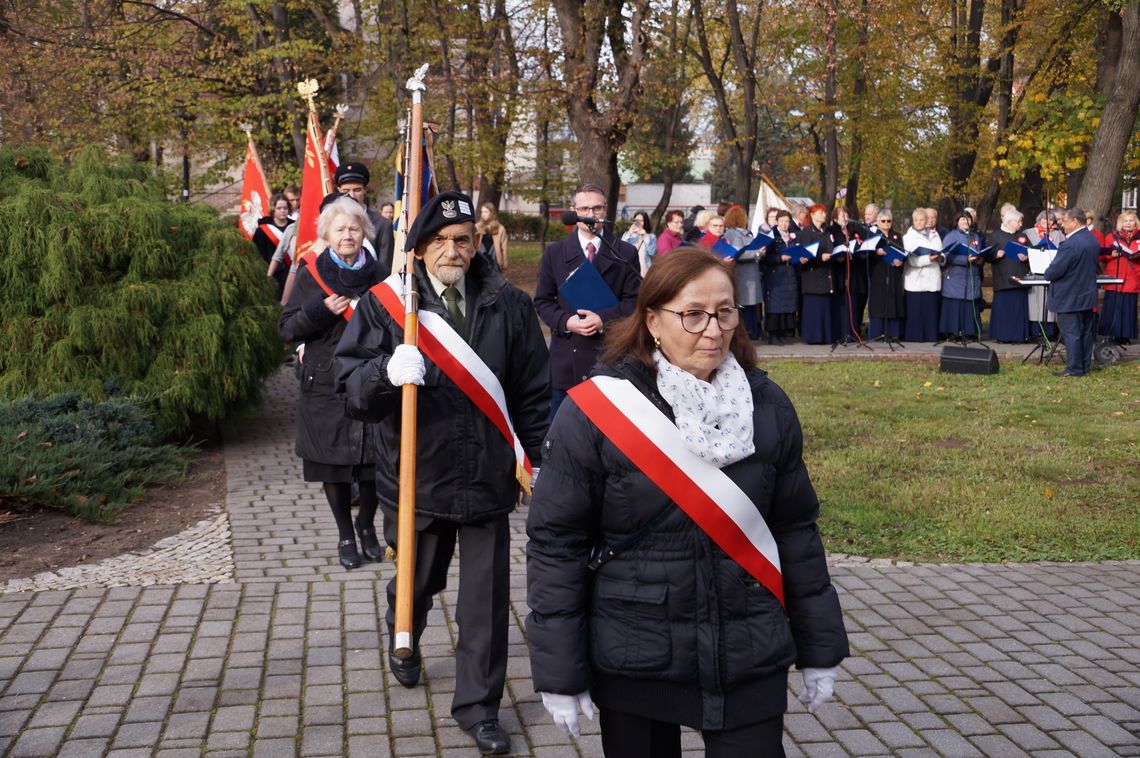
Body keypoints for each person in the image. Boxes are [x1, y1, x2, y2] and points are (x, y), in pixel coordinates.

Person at [525, 248, 849, 757]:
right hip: (637, 649)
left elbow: (796, 531)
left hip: (748, 649)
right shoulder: (596, 413)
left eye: (725, 311)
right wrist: (560, 671)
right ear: (652, 320)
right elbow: (556, 544)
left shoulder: (768, 405)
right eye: (692, 314)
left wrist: (820, 647)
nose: (713, 330)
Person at [334, 191, 551, 755]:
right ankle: (402, 631)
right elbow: (352, 389)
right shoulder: (386, 306)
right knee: (418, 584)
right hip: (418, 478)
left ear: (477, 244)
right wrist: (384, 371)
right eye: (440, 242)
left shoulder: (511, 306)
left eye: (463, 239)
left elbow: (531, 391)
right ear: (421, 248)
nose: (452, 250)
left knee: (484, 604)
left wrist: (538, 459)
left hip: (487, 478)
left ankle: (479, 708)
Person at [278, 197, 384, 570]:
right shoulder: (311, 273)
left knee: (374, 463)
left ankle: (367, 526)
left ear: (364, 233)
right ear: (327, 234)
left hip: (370, 379)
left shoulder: (382, 274)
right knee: (334, 464)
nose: (348, 235)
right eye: (340, 229)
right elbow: (287, 327)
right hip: (325, 383)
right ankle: (345, 534)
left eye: (354, 228)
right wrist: (321, 310)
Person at [534, 185, 641, 418]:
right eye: (584, 208)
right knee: (565, 437)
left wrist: (602, 319)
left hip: (613, 357)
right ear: (573, 211)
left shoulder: (626, 252)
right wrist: (566, 321)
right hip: (566, 361)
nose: (590, 214)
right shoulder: (555, 253)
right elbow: (543, 301)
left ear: (606, 209)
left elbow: (635, 303)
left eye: (596, 208)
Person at [1044, 207, 1101, 377]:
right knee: (1084, 333)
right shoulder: (1091, 239)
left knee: (1072, 334)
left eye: (1065, 221)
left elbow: (1052, 273)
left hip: (1069, 295)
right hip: (1086, 294)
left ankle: (1075, 369)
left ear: (1075, 221)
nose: (1062, 225)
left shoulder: (1070, 244)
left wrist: (1048, 271)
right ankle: (1083, 366)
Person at [987, 208, 1032, 343]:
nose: (1020, 224)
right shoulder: (996, 235)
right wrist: (996, 255)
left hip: (1020, 278)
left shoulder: (1021, 236)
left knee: (1018, 310)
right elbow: (987, 255)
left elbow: (1032, 250)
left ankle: (1019, 336)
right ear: (1009, 222)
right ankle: (1003, 336)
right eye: (1018, 221)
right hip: (1003, 279)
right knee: (1004, 311)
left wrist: (1027, 256)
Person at [939, 212, 985, 339]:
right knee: (956, 305)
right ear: (957, 221)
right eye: (962, 219)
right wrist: (964, 259)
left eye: (968, 219)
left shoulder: (975, 236)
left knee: (970, 306)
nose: (965, 222)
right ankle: (955, 333)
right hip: (956, 277)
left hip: (972, 276)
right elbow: (946, 256)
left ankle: (970, 333)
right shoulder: (951, 236)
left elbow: (979, 252)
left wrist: (979, 259)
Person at [797, 203, 837, 345]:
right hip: (813, 276)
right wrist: (820, 257)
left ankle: (825, 336)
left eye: (824, 213)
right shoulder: (806, 233)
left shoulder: (826, 232)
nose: (823, 215)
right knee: (814, 309)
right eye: (820, 213)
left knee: (825, 309)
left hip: (827, 275)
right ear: (812, 215)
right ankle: (813, 337)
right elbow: (806, 252)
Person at [1098, 210, 1140, 344]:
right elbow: (1102, 256)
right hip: (1114, 276)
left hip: (1132, 277)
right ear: (1121, 223)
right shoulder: (1111, 237)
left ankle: (1125, 336)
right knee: (1113, 306)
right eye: (1125, 221)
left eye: (1131, 220)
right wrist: (1112, 255)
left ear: (1136, 222)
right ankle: (1111, 335)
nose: (1128, 223)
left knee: (1128, 307)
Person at [902, 207, 942, 342]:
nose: (919, 222)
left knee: (930, 311)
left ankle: (931, 336)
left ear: (926, 221)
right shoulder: (908, 237)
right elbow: (911, 260)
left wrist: (941, 258)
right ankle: (915, 337)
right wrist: (929, 259)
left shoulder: (934, 234)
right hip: (916, 280)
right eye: (916, 220)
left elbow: (941, 252)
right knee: (916, 312)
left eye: (922, 220)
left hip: (932, 277)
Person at [723, 205, 762, 339]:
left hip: (750, 274)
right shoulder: (732, 234)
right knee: (744, 306)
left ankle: (753, 332)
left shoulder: (745, 232)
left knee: (751, 306)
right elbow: (739, 253)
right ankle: (747, 333)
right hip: (743, 276)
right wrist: (757, 253)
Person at [867, 209, 905, 340]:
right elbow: (867, 254)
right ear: (877, 222)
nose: (886, 223)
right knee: (879, 302)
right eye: (883, 221)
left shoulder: (897, 236)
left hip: (893, 272)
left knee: (893, 301)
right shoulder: (872, 236)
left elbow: (901, 252)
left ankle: (893, 333)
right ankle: (877, 333)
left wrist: (900, 261)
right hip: (878, 272)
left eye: (889, 221)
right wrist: (876, 252)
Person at [763, 210, 800, 344]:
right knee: (775, 306)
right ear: (777, 222)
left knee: (786, 305)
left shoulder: (792, 237)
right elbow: (765, 257)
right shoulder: (771, 236)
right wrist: (779, 258)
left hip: (789, 274)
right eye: (782, 221)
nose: (784, 224)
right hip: (775, 275)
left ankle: (783, 333)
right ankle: (773, 335)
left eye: (787, 221)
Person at [831, 206, 866, 340]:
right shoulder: (833, 231)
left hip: (854, 270)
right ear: (835, 218)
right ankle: (841, 333)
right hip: (840, 271)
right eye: (842, 216)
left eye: (846, 215)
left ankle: (853, 332)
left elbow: (862, 240)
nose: (845, 218)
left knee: (853, 301)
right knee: (842, 302)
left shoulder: (853, 230)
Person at [254, 192, 293, 299]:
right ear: (273, 209)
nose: (283, 210)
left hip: (293, 273)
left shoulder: (295, 226)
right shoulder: (262, 230)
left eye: (285, 207)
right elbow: (258, 256)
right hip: (273, 275)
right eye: (279, 208)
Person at [476, 202, 510, 272]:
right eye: (482, 212)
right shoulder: (477, 227)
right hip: (480, 259)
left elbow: (504, 248)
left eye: (486, 212)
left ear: (491, 213)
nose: (483, 214)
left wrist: (504, 264)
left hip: (495, 260)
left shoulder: (500, 229)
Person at [622, 210, 658, 276]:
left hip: (645, 270)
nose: (639, 223)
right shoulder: (628, 235)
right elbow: (621, 249)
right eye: (637, 220)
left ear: (645, 222)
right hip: (631, 269)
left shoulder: (651, 237)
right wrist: (629, 233)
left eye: (641, 220)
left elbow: (652, 252)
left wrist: (645, 235)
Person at [375, 201, 396, 277]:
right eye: (386, 212)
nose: (388, 215)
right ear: (381, 213)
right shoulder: (376, 229)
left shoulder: (398, 228)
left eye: (390, 212)